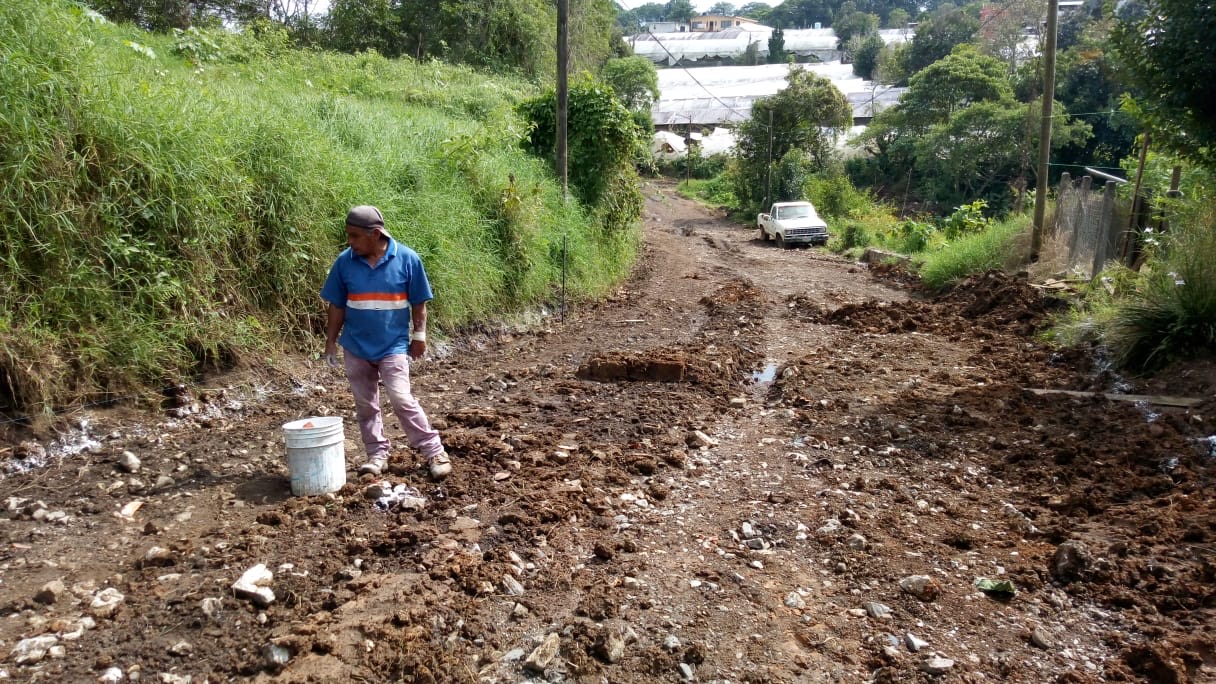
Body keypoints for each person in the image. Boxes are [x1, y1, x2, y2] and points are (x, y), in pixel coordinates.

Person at [320, 205, 451, 480]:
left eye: (355, 236)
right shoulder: (344, 262)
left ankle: (434, 451)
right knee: (365, 404)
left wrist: (419, 335)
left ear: (375, 234)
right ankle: (377, 454)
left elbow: (419, 303)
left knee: (401, 399)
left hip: (393, 346)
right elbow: (337, 306)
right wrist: (330, 344)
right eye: (349, 236)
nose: (350, 242)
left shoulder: (407, 259)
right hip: (355, 346)